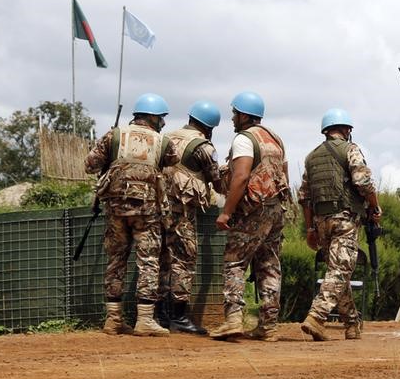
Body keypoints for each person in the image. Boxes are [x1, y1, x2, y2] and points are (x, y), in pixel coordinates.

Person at [85, 92, 179, 337]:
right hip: (147, 211)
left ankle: (114, 319)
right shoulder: (163, 141)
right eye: (162, 118)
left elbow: (90, 165)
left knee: (116, 260)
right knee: (148, 260)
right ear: (152, 117)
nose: (164, 123)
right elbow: (172, 161)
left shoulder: (114, 135)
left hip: (115, 209)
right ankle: (145, 320)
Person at [209, 91, 289, 342]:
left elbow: (241, 176)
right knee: (269, 265)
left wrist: (226, 212)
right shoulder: (274, 138)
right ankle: (269, 326)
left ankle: (233, 319)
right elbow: (284, 172)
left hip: (253, 210)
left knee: (234, 262)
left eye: (234, 113)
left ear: (244, 115)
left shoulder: (244, 139)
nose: (232, 118)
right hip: (276, 209)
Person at [298, 108, 382, 341]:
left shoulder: (311, 157)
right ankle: (317, 316)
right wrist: (374, 207)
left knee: (338, 271)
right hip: (344, 219)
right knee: (340, 269)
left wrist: (310, 228)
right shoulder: (350, 150)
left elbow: (304, 196)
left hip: (321, 221)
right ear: (347, 130)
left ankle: (352, 324)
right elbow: (363, 182)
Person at [156, 100, 223, 335]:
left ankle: (159, 316)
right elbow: (218, 182)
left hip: (157, 208)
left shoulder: (168, 136)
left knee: (161, 258)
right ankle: (180, 317)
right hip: (181, 212)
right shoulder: (203, 147)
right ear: (210, 128)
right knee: (184, 260)